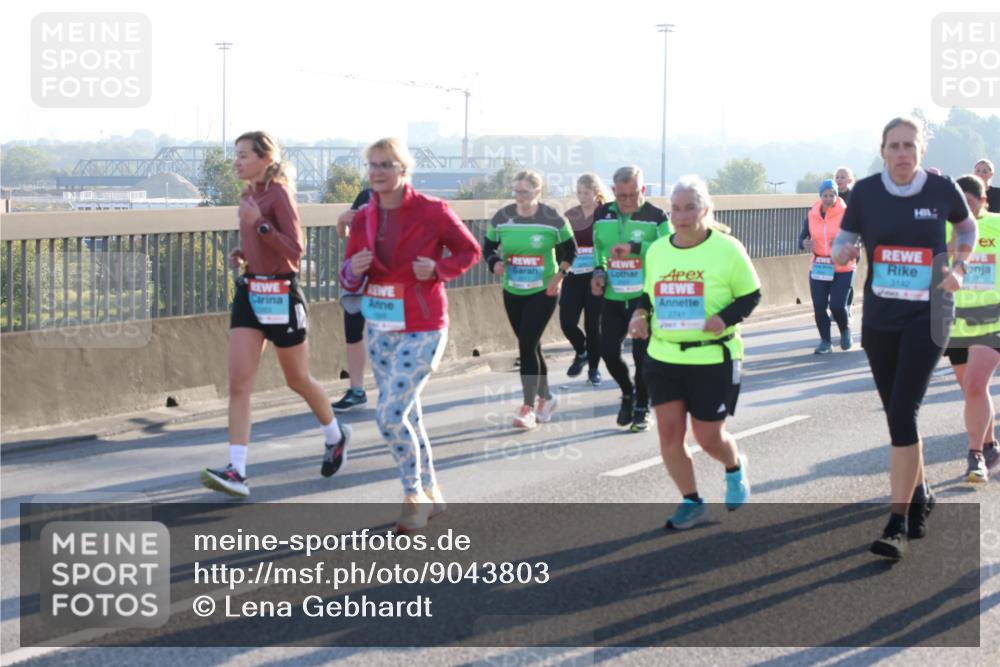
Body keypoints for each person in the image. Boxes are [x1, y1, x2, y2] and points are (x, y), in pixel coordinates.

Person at [832, 116, 977, 560]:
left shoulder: (941, 189)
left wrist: (958, 267)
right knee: (898, 415)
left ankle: (895, 522)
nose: (901, 154)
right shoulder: (867, 193)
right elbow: (842, 242)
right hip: (880, 317)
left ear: (921, 151)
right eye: (894, 146)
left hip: (929, 316)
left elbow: (967, 228)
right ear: (882, 151)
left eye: (909, 146)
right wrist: (844, 253)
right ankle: (921, 494)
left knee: (902, 410)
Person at [201, 131, 351, 499]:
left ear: (265, 159)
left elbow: (295, 250)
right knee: (239, 382)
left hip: (282, 295)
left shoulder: (279, 193)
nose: (236, 161)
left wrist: (260, 225)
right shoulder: (248, 195)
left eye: (243, 155)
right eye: (235, 155)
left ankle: (335, 435)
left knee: (297, 379)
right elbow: (262, 243)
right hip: (251, 293)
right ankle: (237, 470)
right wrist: (244, 252)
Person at [341, 137, 480, 532]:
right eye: (372, 165)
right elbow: (346, 274)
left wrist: (436, 268)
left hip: (423, 325)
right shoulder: (365, 215)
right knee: (409, 415)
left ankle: (413, 496)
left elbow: (468, 252)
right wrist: (356, 266)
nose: (377, 172)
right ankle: (433, 494)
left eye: (386, 165)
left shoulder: (432, 210)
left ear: (404, 171)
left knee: (388, 414)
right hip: (380, 325)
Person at [629, 176, 761, 530]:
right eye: (675, 208)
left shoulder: (727, 248)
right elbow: (646, 296)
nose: (681, 216)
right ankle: (691, 501)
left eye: (689, 208)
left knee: (707, 437)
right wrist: (640, 316)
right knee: (669, 435)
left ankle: (734, 466)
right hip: (664, 356)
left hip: (712, 358)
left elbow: (751, 295)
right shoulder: (658, 250)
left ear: (705, 209)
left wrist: (724, 318)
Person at [484, 169, 577, 429]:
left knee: (526, 344)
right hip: (513, 289)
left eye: (525, 191)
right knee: (531, 345)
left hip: (543, 291)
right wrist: (494, 263)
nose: (519, 196)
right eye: (516, 191)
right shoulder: (503, 217)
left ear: (537, 191)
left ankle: (528, 408)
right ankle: (546, 398)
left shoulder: (552, 219)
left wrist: (559, 277)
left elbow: (571, 251)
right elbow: (487, 246)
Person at [591, 166, 672, 432]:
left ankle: (642, 407)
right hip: (613, 296)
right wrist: (599, 272)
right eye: (622, 195)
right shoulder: (602, 214)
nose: (627, 201)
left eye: (633, 194)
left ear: (643, 190)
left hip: (643, 298)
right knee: (608, 352)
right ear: (614, 192)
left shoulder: (656, 217)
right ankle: (627, 392)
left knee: (642, 357)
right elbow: (599, 249)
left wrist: (635, 248)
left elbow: (669, 250)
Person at [943, 174, 1000, 482]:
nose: (964, 209)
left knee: (977, 385)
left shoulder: (998, 225)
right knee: (972, 392)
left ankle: (975, 455)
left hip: (993, 319)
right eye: (959, 203)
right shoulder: (946, 229)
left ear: (984, 201)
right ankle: (990, 445)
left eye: (970, 203)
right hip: (956, 321)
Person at [560, 173, 608, 386]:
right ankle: (582, 351)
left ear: (596, 192)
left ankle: (594, 370)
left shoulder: (606, 214)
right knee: (567, 322)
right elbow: (561, 244)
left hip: (596, 277)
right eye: (579, 193)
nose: (582, 197)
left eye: (586, 193)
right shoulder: (571, 215)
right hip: (573, 276)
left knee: (593, 326)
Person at [331, 188, 373, 412]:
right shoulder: (366, 195)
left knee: (388, 335)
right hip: (357, 275)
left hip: (387, 277)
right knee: (353, 331)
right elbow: (343, 233)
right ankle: (357, 390)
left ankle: (397, 389)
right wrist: (341, 220)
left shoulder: (404, 198)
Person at [803, 179, 854, 353]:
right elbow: (802, 237)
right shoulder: (812, 214)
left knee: (837, 305)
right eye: (825, 195)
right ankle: (825, 342)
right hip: (819, 265)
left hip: (842, 266)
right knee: (819, 305)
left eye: (832, 195)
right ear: (820, 196)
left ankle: (845, 330)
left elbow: (856, 236)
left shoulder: (846, 212)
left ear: (836, 195)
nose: (828, 198)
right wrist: (804, 243)